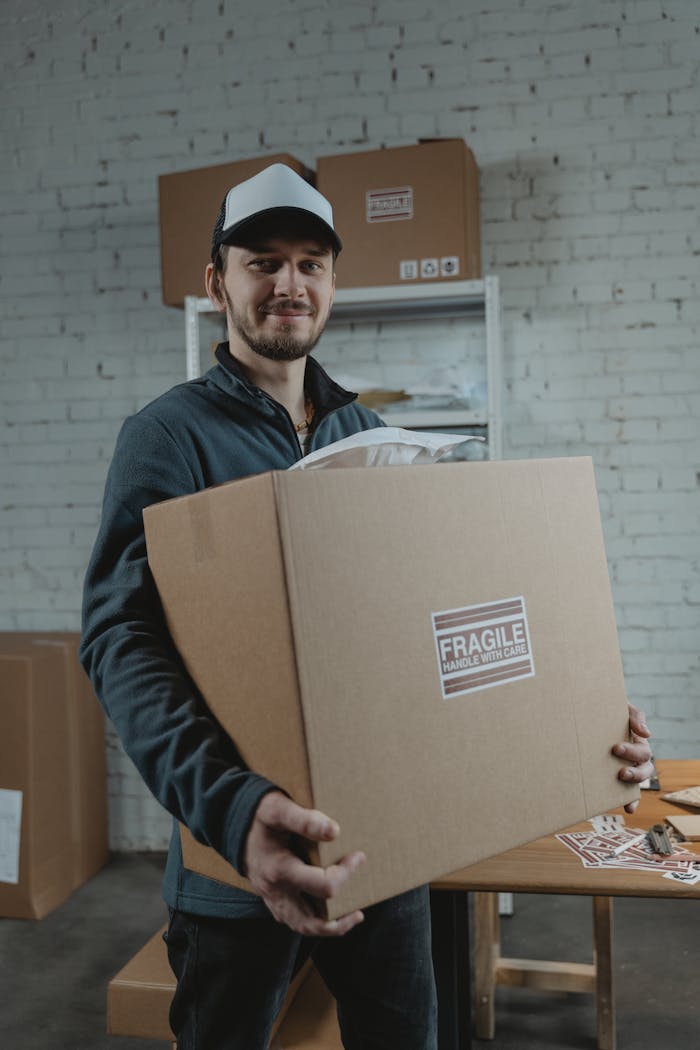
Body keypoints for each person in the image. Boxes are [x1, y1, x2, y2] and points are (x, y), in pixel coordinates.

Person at [79, 163, 654, 1050]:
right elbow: (121, 637)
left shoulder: (367, 439)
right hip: (240, 858)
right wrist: (233, 808)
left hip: (380, 847)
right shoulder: (168, 436)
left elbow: (427, 630)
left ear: (334, 283)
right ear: (216, 282)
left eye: (311, 262)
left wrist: (572, 713)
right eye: (261, 261)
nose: (287, 285)